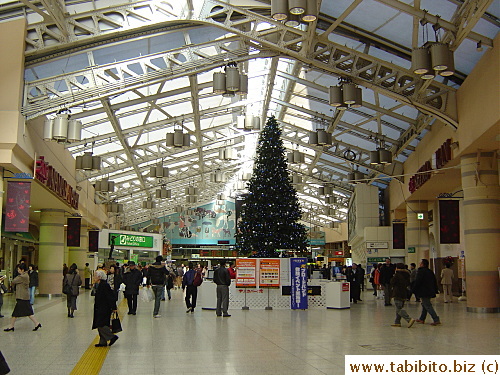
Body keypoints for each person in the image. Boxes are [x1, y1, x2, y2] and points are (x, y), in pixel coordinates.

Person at [4, 263, 42, 332]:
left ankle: (11, 326)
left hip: (22, 297)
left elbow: (13, 281)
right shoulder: (25, 275)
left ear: (22, 270)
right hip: (24, 297)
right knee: (28, 312)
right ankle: (37, 323)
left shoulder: (23, 276)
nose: (18, 270)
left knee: (15, 313)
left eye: (18, 269)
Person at [92, 270, 119, 347]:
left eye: (95, 276)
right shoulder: (99, 285)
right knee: (103, 324)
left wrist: (114, 307)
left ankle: (112, 337)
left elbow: (111, 297)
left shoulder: (104, 285)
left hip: (104, 308)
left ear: (99, 277)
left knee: (100, 324)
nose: (94, 277)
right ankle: (102, 342)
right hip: (100, 308)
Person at [413, 259, 441, 326]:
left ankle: (436, 319)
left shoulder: (421, 272)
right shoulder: (430, 271)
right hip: (429, 290)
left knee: (427, 305)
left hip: (424, 291)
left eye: (420, 263)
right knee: (424, 304)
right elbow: (434, 281)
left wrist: (413, 289)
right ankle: (422, 318)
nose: (419, 264)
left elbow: (418, 281)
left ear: (422, 264)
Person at [390, 263, 416, 328]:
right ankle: (397, 322)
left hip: (397, 293)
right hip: (404, 293)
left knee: (399, 309)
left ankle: (409, 319)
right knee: (399, 307)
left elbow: (392, 282)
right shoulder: (407, 275)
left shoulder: (397, 275)